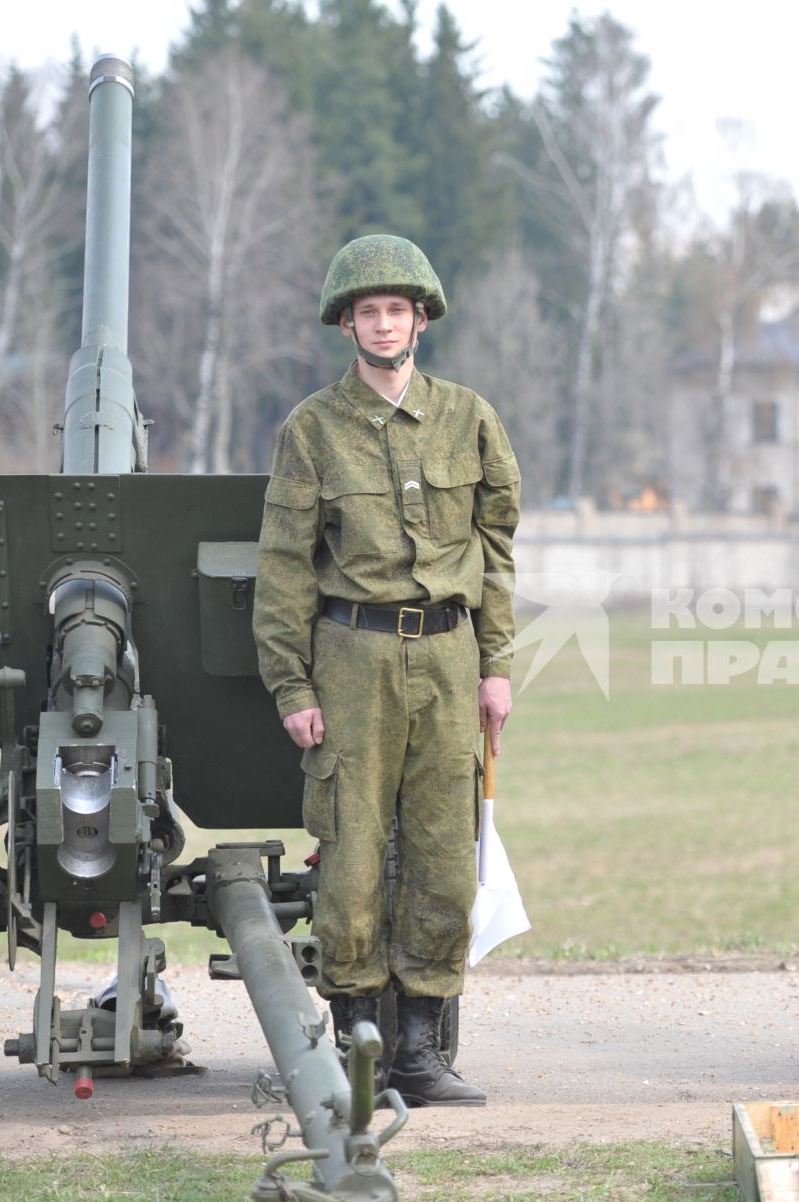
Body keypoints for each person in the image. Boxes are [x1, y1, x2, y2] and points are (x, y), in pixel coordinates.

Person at [254, 234, 521, 1107]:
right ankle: (360, 1044)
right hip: (353, 658)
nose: (382, 323)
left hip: (448, 657)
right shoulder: (312, 429)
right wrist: (293, 687)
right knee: (354, 854)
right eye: (367, 311)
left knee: (447, 856)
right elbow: (286, 567)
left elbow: (497, 549)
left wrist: (495, 664)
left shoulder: (469, 418)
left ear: (420, 321)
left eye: (395, 309)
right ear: (346, 324)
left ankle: (422, 1050)